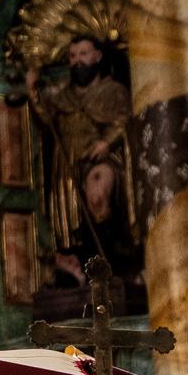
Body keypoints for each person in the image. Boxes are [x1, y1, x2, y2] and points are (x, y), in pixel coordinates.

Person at [22, 35, 138, 285]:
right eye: (73, 56)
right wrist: (32, 90)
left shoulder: (112, 91)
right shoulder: (64, 97)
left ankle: (113, 259)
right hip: (68, 166)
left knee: (97, 195)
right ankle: (87, 268)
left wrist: (106, 143)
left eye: (83, 54)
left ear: (97, 57)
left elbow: (124, 120)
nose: (78, 62)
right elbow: (45, 121)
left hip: (101, 160)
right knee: (74, 222)